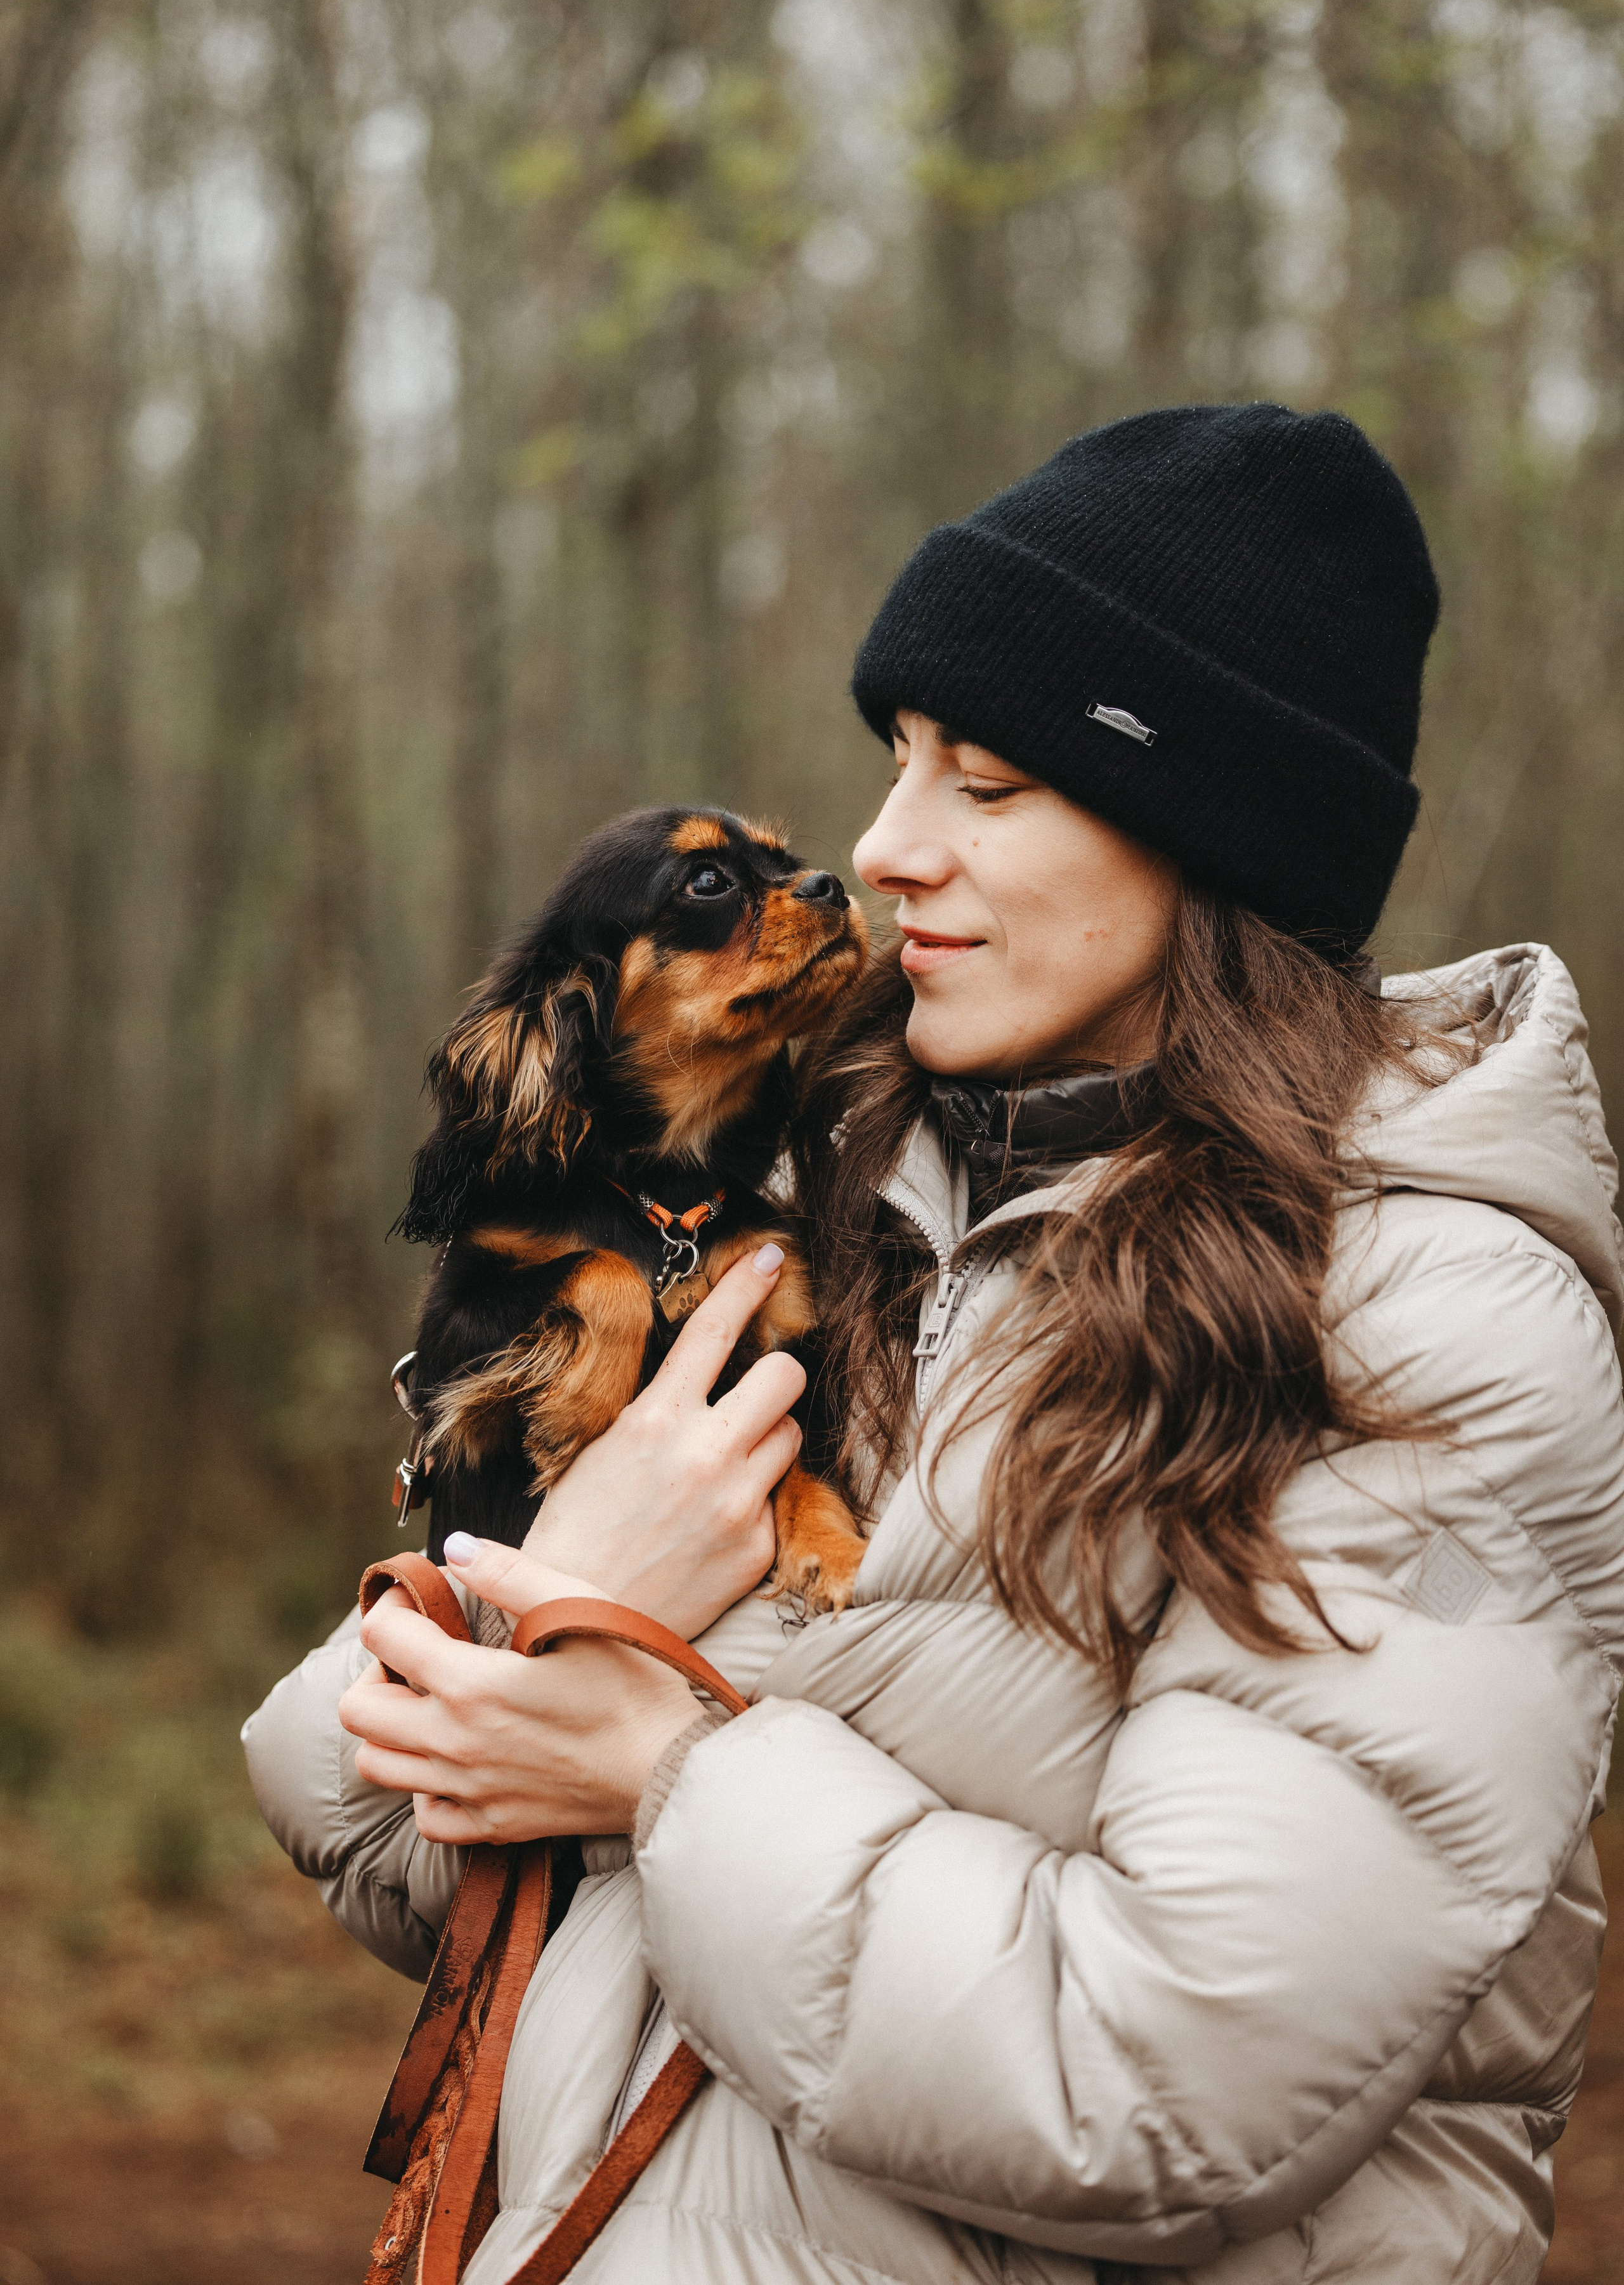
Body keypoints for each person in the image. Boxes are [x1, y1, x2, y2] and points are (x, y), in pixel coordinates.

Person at [246, 403, 1624, 2284]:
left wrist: (668, 1768)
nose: (887, 850)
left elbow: (1160, 2079)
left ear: (1203, 823)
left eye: (985, 783)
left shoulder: (1427, 1320)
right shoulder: (824, 1213)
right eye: (899, 763)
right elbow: (371, 1818)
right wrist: (560, 1592)